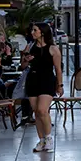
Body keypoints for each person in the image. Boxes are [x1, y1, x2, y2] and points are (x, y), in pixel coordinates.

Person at [24, 22, 63, 153]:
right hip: (33, 79)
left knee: (42, 110)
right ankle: (41, 140)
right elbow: (23, 66)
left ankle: (48, 138)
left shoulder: (53, 49)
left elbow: (58, 69)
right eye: (32, 30)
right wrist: (26, 60)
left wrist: (60, 85)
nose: (32, 32)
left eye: (35, 30)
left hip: (47, 80)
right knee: (36, 112)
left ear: (43, 32)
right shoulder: (30, 46)